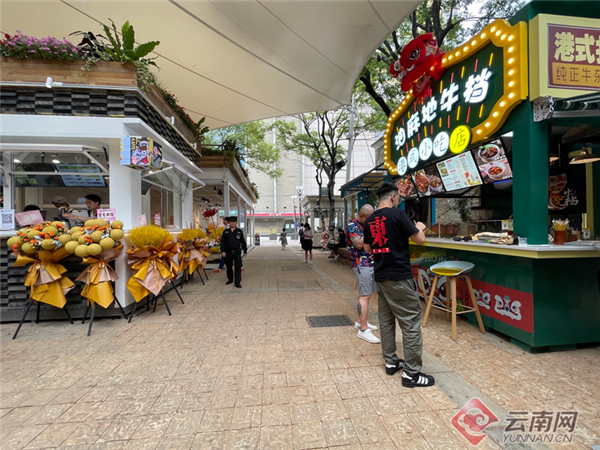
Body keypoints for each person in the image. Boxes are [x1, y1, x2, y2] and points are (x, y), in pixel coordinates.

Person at [363, 182, 434, 388]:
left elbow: (367, 249)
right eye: (399, 198)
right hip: (399, 277)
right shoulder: (398, 215)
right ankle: (411, 374)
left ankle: (391, 362)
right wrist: (419, 227)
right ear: (393, 197)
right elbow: (420, 240)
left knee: (386, 321)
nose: (399, 201)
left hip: (381, 277)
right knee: (410, 323)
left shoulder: (370, 220)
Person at [346, 204, 380, 344]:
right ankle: (363, 330)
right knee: (364, 295)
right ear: (361, 216)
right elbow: (359, 244)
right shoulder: (352, 225)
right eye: (369, 218)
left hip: (371, 263)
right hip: (362, 264)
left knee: (367, 294)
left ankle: (360, 321)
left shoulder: (366, 225)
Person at [220, 216, 247, 288]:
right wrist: (222, 251)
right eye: (231, 222)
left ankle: (237, 282)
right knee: (229, 266)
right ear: (229, 223)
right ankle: (230, 279)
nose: (232, 223)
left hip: (237, 252)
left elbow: (243, 242)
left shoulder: (239, 231)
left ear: (236, 223)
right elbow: (222, 242)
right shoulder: (226, 232)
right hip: (228, 252)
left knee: (238, 267)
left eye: (234, 222)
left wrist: (245, 250)